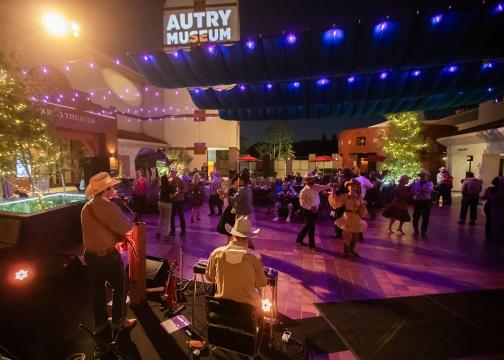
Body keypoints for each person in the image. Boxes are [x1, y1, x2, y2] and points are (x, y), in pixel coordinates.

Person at [81, 172, 137, 357]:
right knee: (120, 287)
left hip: (90, 256)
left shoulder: (86, 208)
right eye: (112, 187)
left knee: (97, 291)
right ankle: (119, 322)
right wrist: (131, 221)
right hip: (107, 256)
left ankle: (100, 324)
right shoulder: (109, 207)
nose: (115, 189)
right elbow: (125, 227)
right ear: (105, 190)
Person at [205, 216, 268, 309]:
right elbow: (262, 283)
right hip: (247, 312)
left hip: (221, 308)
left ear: (232, 235)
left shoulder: (216, 252)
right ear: (249, 238)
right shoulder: (255, 257)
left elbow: (209, 277)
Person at [328, 179, 368, 259]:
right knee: (348, 236)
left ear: (357, 187)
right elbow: (336, 202)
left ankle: (351, 250)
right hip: (347, 217)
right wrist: (333, 192)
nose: (353, 187)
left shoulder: (359, 197)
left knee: (356, 237)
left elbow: (362, 209)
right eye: (351, 186)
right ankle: (346, 253)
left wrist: (363, 206)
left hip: (356, 218)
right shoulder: (346, 196)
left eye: (355, 186)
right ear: (348, 187)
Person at [296, 172, 332, 250]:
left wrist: (331, 185)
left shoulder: (316, 186)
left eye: (313, 178)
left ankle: (299, 239)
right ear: (307, 180)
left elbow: (324, 187)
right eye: (311, 179)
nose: (312, 179)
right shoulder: (304, 191)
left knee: (308, 225)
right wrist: (310, 208)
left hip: (315, 209)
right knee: (311, 227)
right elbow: (302, 202)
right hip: (307, 210)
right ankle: (311, 245)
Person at [411, 170, 434, 235]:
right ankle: (415, 228)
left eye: (424, 175)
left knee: (425, 216)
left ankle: (424, 230)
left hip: (426, 201)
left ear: (427, 176)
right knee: (416, 216)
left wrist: (419, 190)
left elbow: (429, 190)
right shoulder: (416, 183)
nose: (423, 176)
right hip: (418, 201)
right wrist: (414, 192)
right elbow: (412, 190)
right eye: (421, 175)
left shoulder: (429, 183)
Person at [482, 176, 504, 244]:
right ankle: (498, 238)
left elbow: (484, 197)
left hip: (491, 207)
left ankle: (490, 237)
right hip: (497, 208)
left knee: (490, 221)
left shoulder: (491, 189)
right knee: (499, 222)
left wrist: (489, 195)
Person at [168, 168, 187, 236]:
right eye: (171, 172)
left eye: (173, 172)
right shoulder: (170, 180)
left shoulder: (180, 181)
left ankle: (183, 230)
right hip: (173, 200)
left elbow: (185, 189)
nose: (171, 173)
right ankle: (172, 230)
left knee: (181, 215)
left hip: (179, 200)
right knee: (172, 216)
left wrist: (180, 191)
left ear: (175, 173)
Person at [156, 170, 172, 239]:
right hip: (167, 203)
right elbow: (172, 195)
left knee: (161, 217)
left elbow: (157, 192)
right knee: (167, 219)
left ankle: (158, 231)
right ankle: (166, 234)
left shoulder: (161, 186)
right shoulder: (169, 186)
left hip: (160, 202)